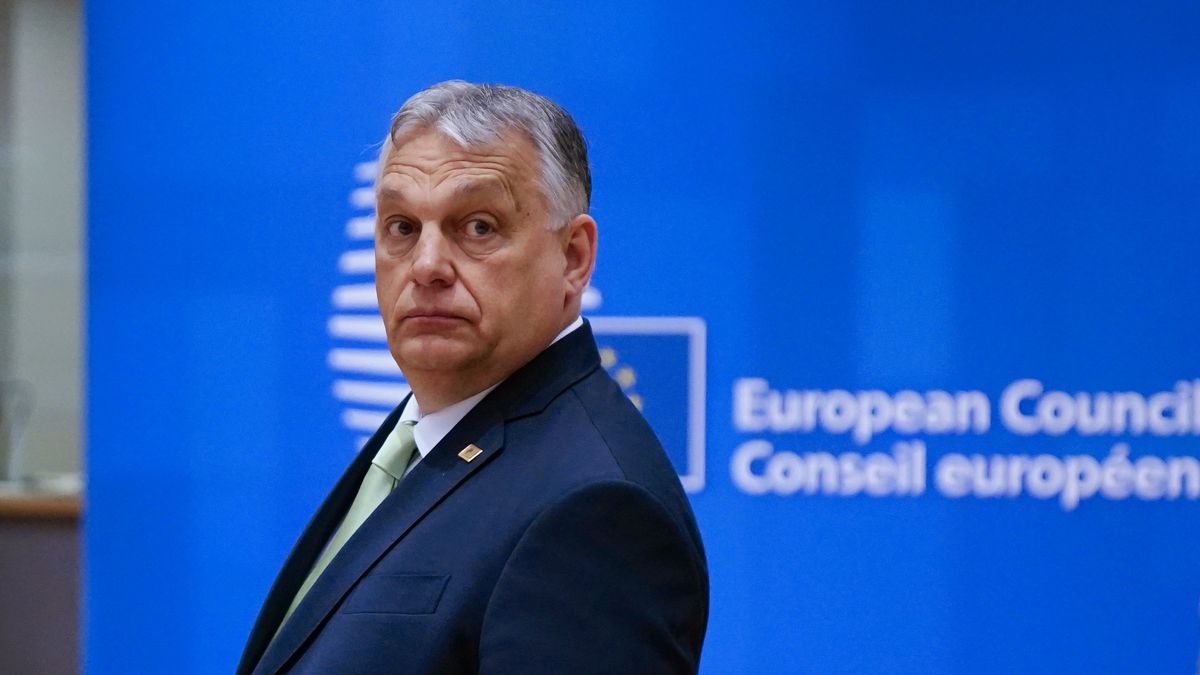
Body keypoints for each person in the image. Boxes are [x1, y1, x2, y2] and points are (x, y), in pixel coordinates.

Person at [237, 81, 709, 674]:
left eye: (479, 226)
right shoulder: (423, 434)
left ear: (573, 257)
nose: (427, 266)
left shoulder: (598, 510)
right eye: (402, 227)